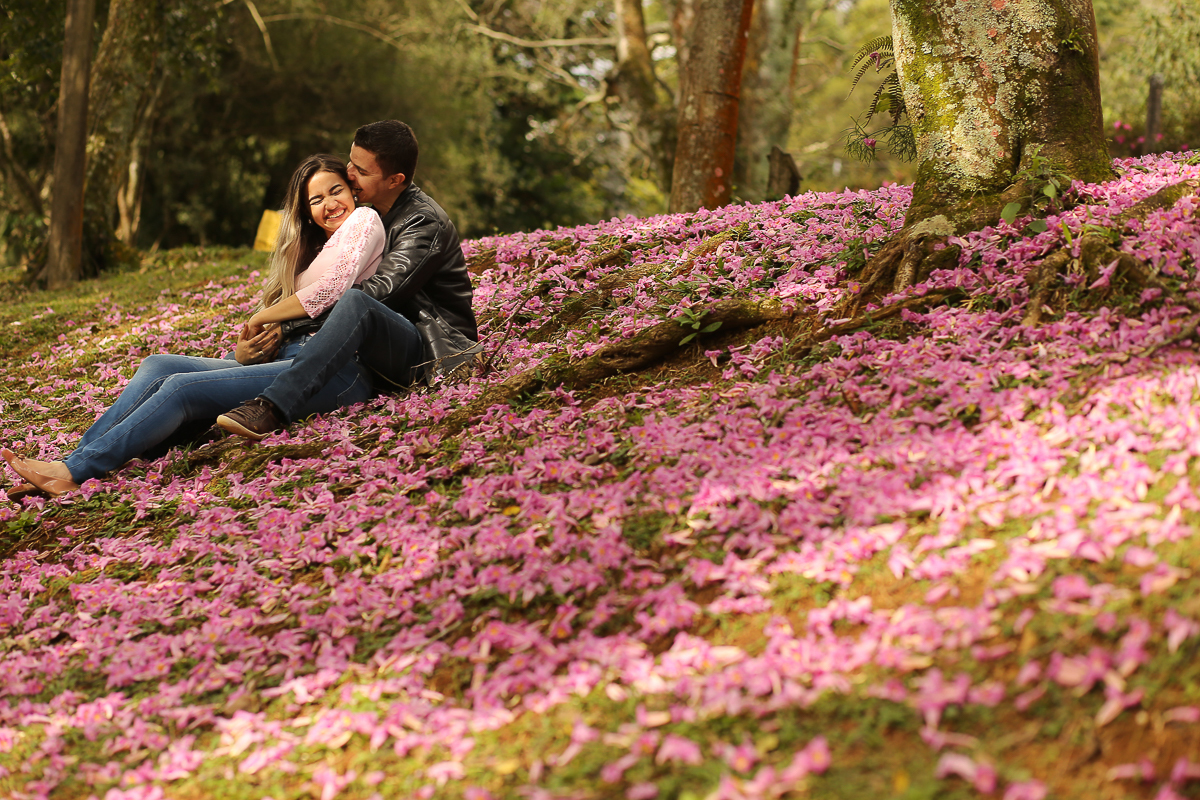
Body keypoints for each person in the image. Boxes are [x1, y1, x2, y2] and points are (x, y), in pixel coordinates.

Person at [2, 154, 383, 499]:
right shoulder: (310, 248)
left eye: (335, 191)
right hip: (287, 360)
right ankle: (71, 463)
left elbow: (334, 288)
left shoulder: (364, 222)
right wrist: (243, 352)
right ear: (305, 211)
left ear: (352, 190)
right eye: (316, 200)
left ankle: (73, 472)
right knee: (158, 365)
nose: (329, 205)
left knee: (182, 389)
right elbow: (276, 332)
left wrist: (259, 317)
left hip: (332, 369)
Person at [215, 119, 478, 441]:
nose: (349, 174)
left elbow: (377, 296)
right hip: (383, 341)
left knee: (356, 301)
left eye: (362, 171)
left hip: (430, 349)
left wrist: (286, 326)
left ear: (395, 180)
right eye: (351, 162)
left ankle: (272, 407)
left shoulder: (423, 222)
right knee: (195, 375)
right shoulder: (371, 213)